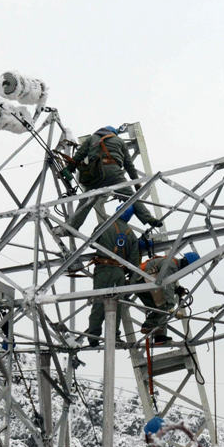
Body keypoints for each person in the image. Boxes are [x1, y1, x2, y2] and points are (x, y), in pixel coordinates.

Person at [56, 126, 162, 234]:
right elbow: (129, 165)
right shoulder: (119, 141)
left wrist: (67, 171)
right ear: (113, 133)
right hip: (113, 173)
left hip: (95, 174)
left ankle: (72, 227)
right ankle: (148, 218)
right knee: (131, 197)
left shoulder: (92, 138)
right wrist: (136, 183)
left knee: (85, 201)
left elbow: (78, 157)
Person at [84, 205, 139, 347]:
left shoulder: (104, 225)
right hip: (119, 272)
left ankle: (93, 336)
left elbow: (92, 243)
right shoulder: (131, 234)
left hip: (103, 269)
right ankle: (114, 336)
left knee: (98, 302)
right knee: (117, 304)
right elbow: (134, 264)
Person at [135, 252, 199, 344]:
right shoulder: (171, 266)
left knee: (160, 306)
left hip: (141, 281)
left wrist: (177, 289)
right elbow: (167, 286)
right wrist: (171, 307)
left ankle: (159, 336)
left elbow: (167, 281)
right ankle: (149, 325)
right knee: (166, 304)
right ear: (187, 264)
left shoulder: (173, 265)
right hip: (141, 281)